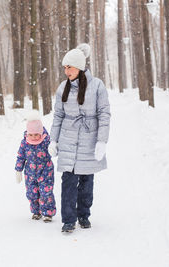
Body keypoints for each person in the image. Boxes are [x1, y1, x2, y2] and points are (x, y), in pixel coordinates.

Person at [49, 43, 110, 233]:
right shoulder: (62, 88)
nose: (66, 71)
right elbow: (58, 115)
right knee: (68, 181)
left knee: (86, 182)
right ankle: (68, 219)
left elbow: (104, 113)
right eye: (65, 67)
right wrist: (53, 140)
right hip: (68, 138)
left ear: (80, 67)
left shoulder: (97, 85)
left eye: (70, 67)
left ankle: (83, 215)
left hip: (88, 139)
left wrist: (102, 141)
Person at [15, 111, 56, 222]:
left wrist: (53, 150)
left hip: (45, 171)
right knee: (32, 193)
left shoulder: (46, 140)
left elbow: (54, 149)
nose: (33, 137)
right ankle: (36, 211)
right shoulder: (25, 142)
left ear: (41, 132)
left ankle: (47, 213)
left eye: (36, 134)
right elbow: (21, 156)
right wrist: (18, 170)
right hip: (30, 173)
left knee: (46, 192)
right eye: (31, 134)